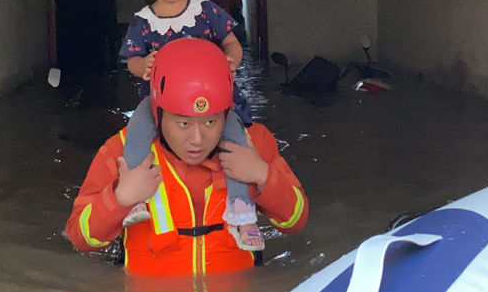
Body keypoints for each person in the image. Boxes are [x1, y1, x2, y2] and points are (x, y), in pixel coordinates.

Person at [65, 39, 308, 275]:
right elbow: (81, 239)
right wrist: (121, 198)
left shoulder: (253, 144)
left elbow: (295, 220)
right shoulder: (122, 150)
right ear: (158, 114)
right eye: (182, 123)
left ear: (227, 112)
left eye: (211, 121)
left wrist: (263, 175)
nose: (197, 139)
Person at [117, 0, 263, 251]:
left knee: (235, 135)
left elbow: (233, 43)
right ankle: (135, 199)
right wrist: (145, 67)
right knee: (137, 129)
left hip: (212, 99)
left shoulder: (206, 10)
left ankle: (243, 212)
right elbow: (131, 61)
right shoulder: (143, 21)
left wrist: (230, 60)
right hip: (161, 101)